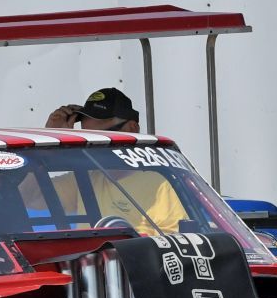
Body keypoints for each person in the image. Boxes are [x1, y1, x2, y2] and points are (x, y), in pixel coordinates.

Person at [38, 87, 189, 235]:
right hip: (92, 260)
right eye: (84, 134)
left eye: (100, 135)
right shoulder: (86, 179)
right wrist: (49, 145)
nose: (90, 142)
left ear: (132, 128)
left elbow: (175, 245)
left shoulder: (159, 181)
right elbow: (28, 197)